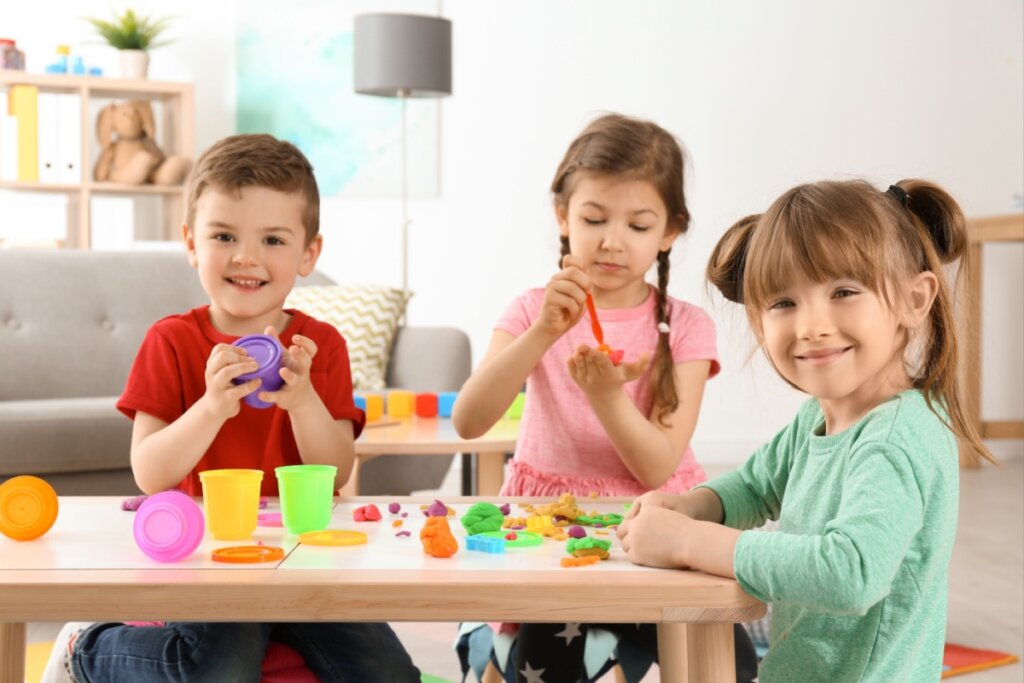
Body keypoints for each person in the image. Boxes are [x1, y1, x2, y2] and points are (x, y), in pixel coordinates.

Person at [44, 134, 421, 683]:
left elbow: (338, 470)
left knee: (389, 674)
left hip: (305, 550)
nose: (246, 256)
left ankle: (278, 638)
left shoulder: (321, 346)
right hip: (209, 554)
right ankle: (87, 649)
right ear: (191, 243)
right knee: (220, 669)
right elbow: (150, 473)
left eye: (273, 239)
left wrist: (303, 401)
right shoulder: (171, 341)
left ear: (308, 254)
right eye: (224, 236)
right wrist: (212, 407)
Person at [617, 178, 997, 682]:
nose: (812, 326)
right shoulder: (818, 418)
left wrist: (689, 541)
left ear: (914, 299)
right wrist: (691, 506)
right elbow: (755, 485)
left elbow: (850, 573)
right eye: (783, 303)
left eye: (844, 292)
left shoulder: (894, 438)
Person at [452, 113, 756, 683]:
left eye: (638, 225)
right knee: (548, 663)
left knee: (730, 663)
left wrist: (606, 396)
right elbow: (468, 421)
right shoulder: (531, 310)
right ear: (563, 216)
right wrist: (543, 332)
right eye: (594, 218)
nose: (612, 241)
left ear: (670, 232)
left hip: (655, 522)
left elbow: (657, 466)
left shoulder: (686, 327)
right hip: (549, 526)